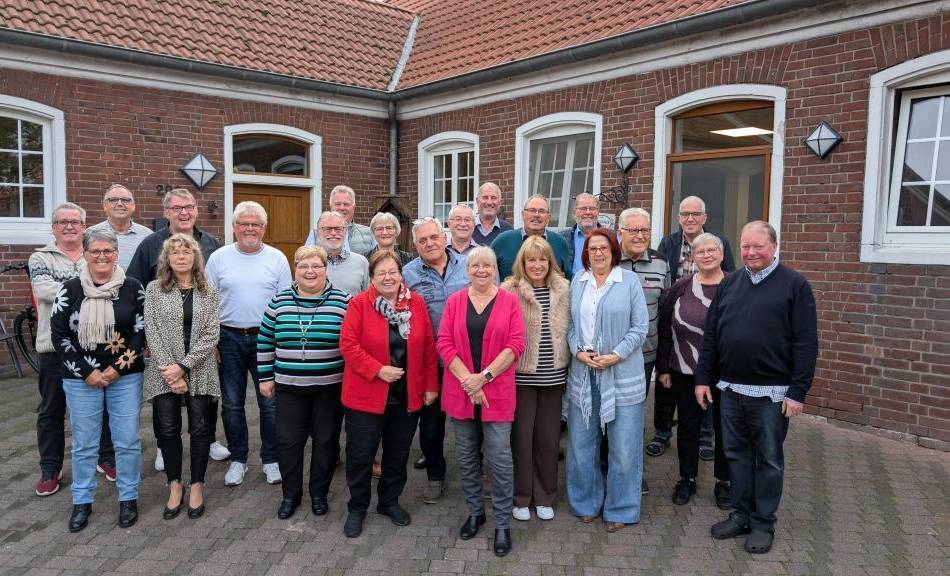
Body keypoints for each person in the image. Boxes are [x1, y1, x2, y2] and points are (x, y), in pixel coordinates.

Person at [696, 221, 818, 554]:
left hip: (771, 395)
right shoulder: (730, 283)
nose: (750, 252)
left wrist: (797, 393)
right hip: (731, 389)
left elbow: (806, 344)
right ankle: (741, 515)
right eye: (745, 246)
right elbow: (711, 336)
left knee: (769, 460)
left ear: (774, 246)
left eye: (758, 246)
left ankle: (764, 523)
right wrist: (703, 379)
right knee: (736, 455)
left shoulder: (795, 286)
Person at [50, 228, 146, 532]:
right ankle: (82, 501)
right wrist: (87, 371)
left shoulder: (133, 288)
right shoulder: (70, 289)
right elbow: (59, 335)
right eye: (96, 251)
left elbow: (141, 333)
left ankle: (128, 497)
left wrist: (117, 368)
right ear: (86, 254)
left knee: (127, 440)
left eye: (108, 251)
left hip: (125, 376)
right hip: (81, 379)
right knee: (84, 443)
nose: (102, 256)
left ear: (116, 253)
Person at [126, 188, 228, 470]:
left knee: (204, 400)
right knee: (166, 406)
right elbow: (135, 288)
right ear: (167, 212)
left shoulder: (211, 242)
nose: (184, 212)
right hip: (163, 341)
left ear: (196, 210)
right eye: (178, 207)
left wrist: (211, 343)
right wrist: (148, 340)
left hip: (200, 340)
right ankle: (164, 445)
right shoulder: (149, 244)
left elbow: (212, 291)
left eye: (190, 207)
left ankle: (208, 441)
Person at [339, 251, 439, 538]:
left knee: (397, 455)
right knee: (360, 456)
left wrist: (431, 385)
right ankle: (357, 508)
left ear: (400, 274)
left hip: (406, 395)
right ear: (372, 277)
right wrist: (377, 370)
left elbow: (429, 347)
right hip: (366, 394)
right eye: (381, 273)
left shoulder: (415, 304)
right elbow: (348, 345)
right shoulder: (359, 304)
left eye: (392, 272)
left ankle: (389, 502)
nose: (388, 278)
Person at [437, 246, 525, 557]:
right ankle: (476, 512)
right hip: (461, 391)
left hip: (496, 393)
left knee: (500, 459)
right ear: (467, 270)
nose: (482, 271)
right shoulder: (455, 301)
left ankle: (502, 523)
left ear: (495, 269)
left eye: (487, 265)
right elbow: (444, 343)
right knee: (465, 456)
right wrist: (469, 381)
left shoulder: (509, 301)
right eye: (475, 266)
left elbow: (516, 344)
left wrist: (483, 377)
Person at [257, 245, 351, 520]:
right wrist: (264, 377)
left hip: (330, 387)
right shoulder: (279, 300)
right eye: (303, 266)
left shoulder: (344, 301)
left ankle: (319, 493)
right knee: (288, 442)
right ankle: (291, 495)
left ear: (325, 269)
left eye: (316, 266)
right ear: (295, 270)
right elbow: (265, 340)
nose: (310, 271)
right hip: (289, 387)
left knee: (325, 442)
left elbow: (353, 343)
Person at [30, 203, 116, 496]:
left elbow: (113, 287)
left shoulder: (96, 252)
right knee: (52, 409)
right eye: (62, 221)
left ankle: (105, 458)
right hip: (54, 347)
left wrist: (77, 287)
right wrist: (90, 286)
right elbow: (43, 292)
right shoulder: (40, 257)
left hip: (96, 345)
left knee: (101, 405)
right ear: (53, 227)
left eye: (75, 221)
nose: (69, 226)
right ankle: (51, 468)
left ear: (84, 226)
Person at [566, 228, 648, 533]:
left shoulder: (629, 282)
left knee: (624, 448)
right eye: (592, 249)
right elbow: (571, 326)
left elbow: (640, 329)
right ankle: (585, 502)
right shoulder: (579, 281)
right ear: (585, 253)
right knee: (580, 445)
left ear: (614, 250)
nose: (597, 253)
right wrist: (577, 352)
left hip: (621, 375)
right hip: (584, 376)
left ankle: (621, 508)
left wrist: (616, 354)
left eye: (603, 248)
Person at [205, 201, 292, 486]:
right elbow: (207, 302)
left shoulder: (277, 258)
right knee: (231, 404)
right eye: (244, 223)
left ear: (264, 228)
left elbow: (285, 304)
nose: (250, 228)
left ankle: (271, 459)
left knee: (270, 403)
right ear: (234, 227)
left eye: (256, 224)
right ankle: (238, 459)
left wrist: (281, 342)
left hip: (267, 338)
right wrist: (211, 342)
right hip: (227, 338)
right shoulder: (218, 258)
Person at [144, 234, 220, 520]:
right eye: (174, 252)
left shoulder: (208, 290)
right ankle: (174, 485)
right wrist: (171, 370)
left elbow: (212, 333)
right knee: (168, 429)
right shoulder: (154, 290)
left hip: (200, 369)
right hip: (163, 371)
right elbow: (152, 331)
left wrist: (184, 367)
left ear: (195, 257)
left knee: (200, 429)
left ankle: (197, 484)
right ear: (167, 258)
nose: (181, 257)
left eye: (186, 251)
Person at [656, 195, 735, 460]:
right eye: (684, 214)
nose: (689, 219)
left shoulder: (718, 243)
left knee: (708, 381)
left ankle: (705, 436)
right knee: (671, 385)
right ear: (678, 218)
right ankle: (663, 432)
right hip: (678, 318)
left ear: (704, 217)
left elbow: (731, 277)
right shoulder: (668, 242)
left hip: (710, 324)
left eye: (695, 214)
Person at [656, 233, 730, 509]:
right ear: (692, 258)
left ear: (722, 255)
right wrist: (664, 367)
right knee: (688, 427)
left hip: (724, 374)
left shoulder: (735, 286)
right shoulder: (681, 286)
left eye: (713, 250)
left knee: (725, 428)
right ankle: (687, 478)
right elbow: (665, 327)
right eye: (701, 251)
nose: (707, 255)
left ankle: (725, 481)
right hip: (684, 369)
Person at [401, 217, 470, 503]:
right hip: (430, 362)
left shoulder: (470, 265)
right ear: (415, 245)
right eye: (423, 240)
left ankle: (477, 471)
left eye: (434, 237)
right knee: (431, 425)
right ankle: (435, 475)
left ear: (444, 238)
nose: (429, 243)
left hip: (468, 360)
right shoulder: (408, 273)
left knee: (473, 420)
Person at [501, 237, 569, 522]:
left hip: (554, 378)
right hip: (521, 378)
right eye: (532, 260)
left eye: (543, 259)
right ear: (523, 262)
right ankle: (521, 497)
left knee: (549, 441)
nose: (537, 265)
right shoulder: (509, 290)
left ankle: (544, 496)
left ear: (550, 261)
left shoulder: (565, 288)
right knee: (522, 439)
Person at [617, 208, 672, 469]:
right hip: (612, 355)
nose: (640, 236)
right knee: (611, 414)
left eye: (645, 230)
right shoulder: (608, 259)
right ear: (620, 233)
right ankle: (609, 465)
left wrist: (663, 361)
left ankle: (631, 471)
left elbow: (666, 313)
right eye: (633, 230)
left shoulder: (662, 263)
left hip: (645, 354)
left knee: (635, 415)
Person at [491, 195, 572, 280]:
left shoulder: (560, 243)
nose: (536, 215)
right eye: (532, 210)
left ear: (548, 218)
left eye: (542, 211)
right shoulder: (503, 241)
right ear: (523, 215)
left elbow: (566, 279)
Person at [88, 184, 152, 270]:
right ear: (104, 206)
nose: (119, 204)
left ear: (133, 206)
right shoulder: (90, 234)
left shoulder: (147, 235)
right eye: (113, 200)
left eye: (125, 200)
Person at [304, 185, 374, 255]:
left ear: (354, 207)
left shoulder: (370, 233)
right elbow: (306, 259)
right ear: (331, 206)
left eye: (346, 204)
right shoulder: (315, 234)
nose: (342, 208)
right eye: (338, 204)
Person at [313, 211, 370, 297]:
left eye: (338, 228)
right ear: (318, 232)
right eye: (327, 229)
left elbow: (368, 299)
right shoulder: (309, 262)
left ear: (345, 231)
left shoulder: (361, 262)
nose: (333, 233)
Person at [559, 193, 602, 276]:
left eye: (592, 208)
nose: (588, 212)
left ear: (598, 212)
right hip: (572, 287)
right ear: (574, 212)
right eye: (583, 208)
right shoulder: (562, 238)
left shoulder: (611, 237)